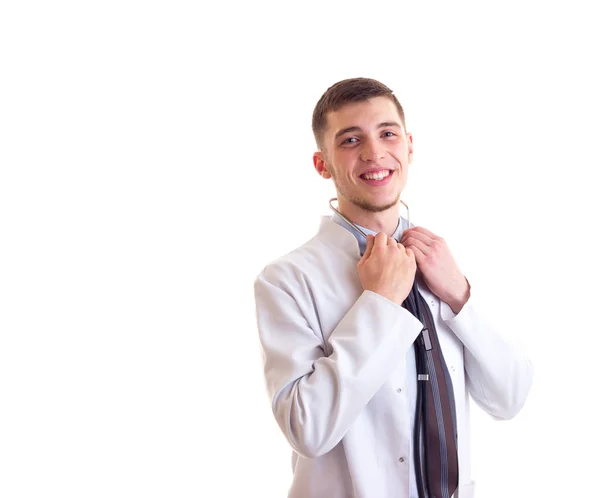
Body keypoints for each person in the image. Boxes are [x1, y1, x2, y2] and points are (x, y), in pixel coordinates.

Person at [253, 77, 533, 498]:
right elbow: (306, 429)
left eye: (387, 134)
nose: (374, 153)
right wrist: (379, 304)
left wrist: (459, 297)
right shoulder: (287, 279)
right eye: (350, 140)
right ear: (322, 164)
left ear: (409, 147)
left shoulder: (441, 264)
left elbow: (509, 397)